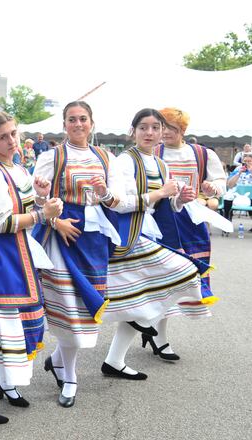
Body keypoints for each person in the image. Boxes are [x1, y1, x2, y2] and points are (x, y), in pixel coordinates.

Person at [0, 111, 61, 424]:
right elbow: (2, 223)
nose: (11, 141)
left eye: (13, 134)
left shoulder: (17, 168)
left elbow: (22, 207)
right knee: (2, 331)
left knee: (15, 328)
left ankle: (6, 384)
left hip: (14, 257)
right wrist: (43, 214)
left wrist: (39, 195)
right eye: (3, 137)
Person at [101, 109, 205, 381]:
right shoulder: (123, 161)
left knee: (140, 302)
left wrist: (179, 200)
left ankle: (115, 360)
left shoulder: (160, 164)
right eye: (143, 127)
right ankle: (146, 323)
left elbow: (165, 206)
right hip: (130, 235)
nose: (150, 133)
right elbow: (118, 204)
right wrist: (160, 193)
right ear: (133, 131)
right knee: (185, 271)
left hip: (151, 232)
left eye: (155, 127)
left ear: (162, 132)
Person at [32, 101, 120, 408]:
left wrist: (104, 193)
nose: (78, 124)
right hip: (63, 236)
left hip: (94, 239)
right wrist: (55, 222)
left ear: (92, 123)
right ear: (64, 124)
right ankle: (69, 377)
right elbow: (34, 200)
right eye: (72, 119)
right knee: (70, 309)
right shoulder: (52, 156)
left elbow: (118, 201)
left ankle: (57, 360)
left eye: (83, 118)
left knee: (84, 308)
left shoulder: (106, 157)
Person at [151, 107, 227, 360]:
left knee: (186, 277)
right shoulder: (153, 152)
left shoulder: (202, 154)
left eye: (171, 128)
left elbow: (220, 182)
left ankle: (151, 329)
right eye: (162, 127)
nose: (165, 133)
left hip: (192, 222)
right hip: (161, 220)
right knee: (162, 278)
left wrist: (212, 188)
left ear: (183, 130)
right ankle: (158, 335)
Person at [223, 153, 252, 222]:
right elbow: (230, 185)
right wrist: (239, 174)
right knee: (227, 198)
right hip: (237, 193)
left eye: (249, 161)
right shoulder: (238, 169)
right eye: (245, 161)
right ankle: (227, 220)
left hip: (250, 194)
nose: (247, 163)